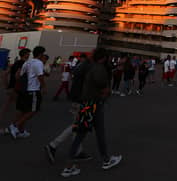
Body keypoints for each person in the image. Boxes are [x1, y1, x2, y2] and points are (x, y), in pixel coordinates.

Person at [60, 48, 121, 177]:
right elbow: (104, 89)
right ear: (104, 57)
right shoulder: (99, 69)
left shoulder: (90, 67)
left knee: (87, 133)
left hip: (86, 103)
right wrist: (106, 94)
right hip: (94, 105)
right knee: (87, 134)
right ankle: (105, 160)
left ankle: (71, 166)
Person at [45, 54, 91, 165]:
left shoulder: (79, 67)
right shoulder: (86, 69)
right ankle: (53, 145)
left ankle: (77, 151)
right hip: (81, 100)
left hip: (77, 99)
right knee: (77, 125)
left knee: (77, 126)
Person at [7, 45, 46, 139]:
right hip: (33, 90)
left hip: (24, 90)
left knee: (23, 110)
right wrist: (44, 87)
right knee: (33, 110)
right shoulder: (38, 63)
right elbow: (40, 76)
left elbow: (19, 75)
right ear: (40, 54)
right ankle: (15, 126)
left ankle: (21, 131)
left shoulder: (27, 62)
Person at [1, 48, 30, 122]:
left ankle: (12, 125)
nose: (29, 55)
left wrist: (7, 86)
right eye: (28, 53)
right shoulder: (23, 64)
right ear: (25, 55)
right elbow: (17, 75)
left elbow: (4, 74)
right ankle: (14, 126)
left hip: (12, 88)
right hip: (17, 89)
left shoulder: (15, 63)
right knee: (20, 108)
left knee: (6, 108)